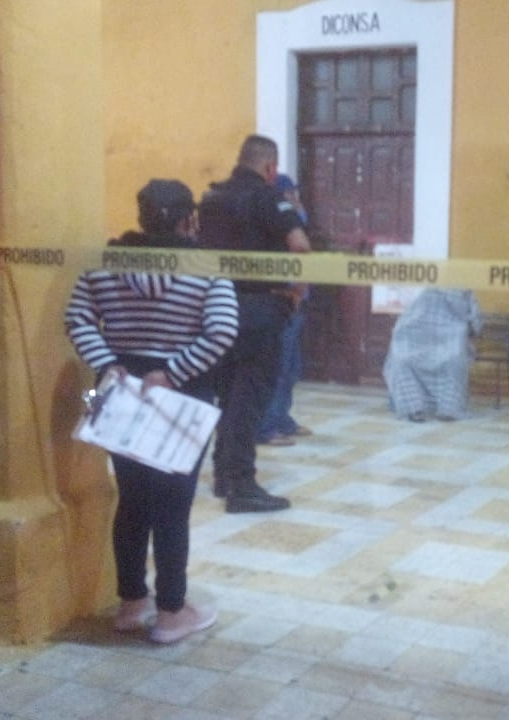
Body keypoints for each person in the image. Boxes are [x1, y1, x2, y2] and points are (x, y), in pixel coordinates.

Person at [65, 179, 238, 643]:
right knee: (173, 506)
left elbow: (76, 318)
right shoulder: (205, 266)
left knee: (132, 500)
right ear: (189, 219)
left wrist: (108, 365)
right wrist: (174, 372)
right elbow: (222, 332)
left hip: (117, 394)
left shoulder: (106, 261)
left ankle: (131, 604)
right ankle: (170, 614)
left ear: (140, 216)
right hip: (184, 396)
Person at [198, 135, 311, 512]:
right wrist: (296, 292)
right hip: (259, 312)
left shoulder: (211, 199)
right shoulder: (267, 196)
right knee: (250, 400)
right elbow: (300, 246)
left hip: (215, 310)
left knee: (228, 395)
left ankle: (223, 476)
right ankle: (241, 486)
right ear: (270, 168)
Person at [257, 174, 313, 446]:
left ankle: (283, 419)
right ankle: (267, 426)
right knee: (277, 369)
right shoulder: (278, 221)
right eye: (290, 193)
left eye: (296, 193)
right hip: (283, 302)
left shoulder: (295, 217)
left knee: (291, 369)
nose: (296, 199)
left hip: (297, 304)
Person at [383, 288, 483, 422]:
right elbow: (476, 323)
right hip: (449, 345)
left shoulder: (424, 288)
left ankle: (413, 407)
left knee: (402, 361)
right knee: (453, 363)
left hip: (415, 344)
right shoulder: (463, 291)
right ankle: (448, 408)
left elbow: (405, 318)